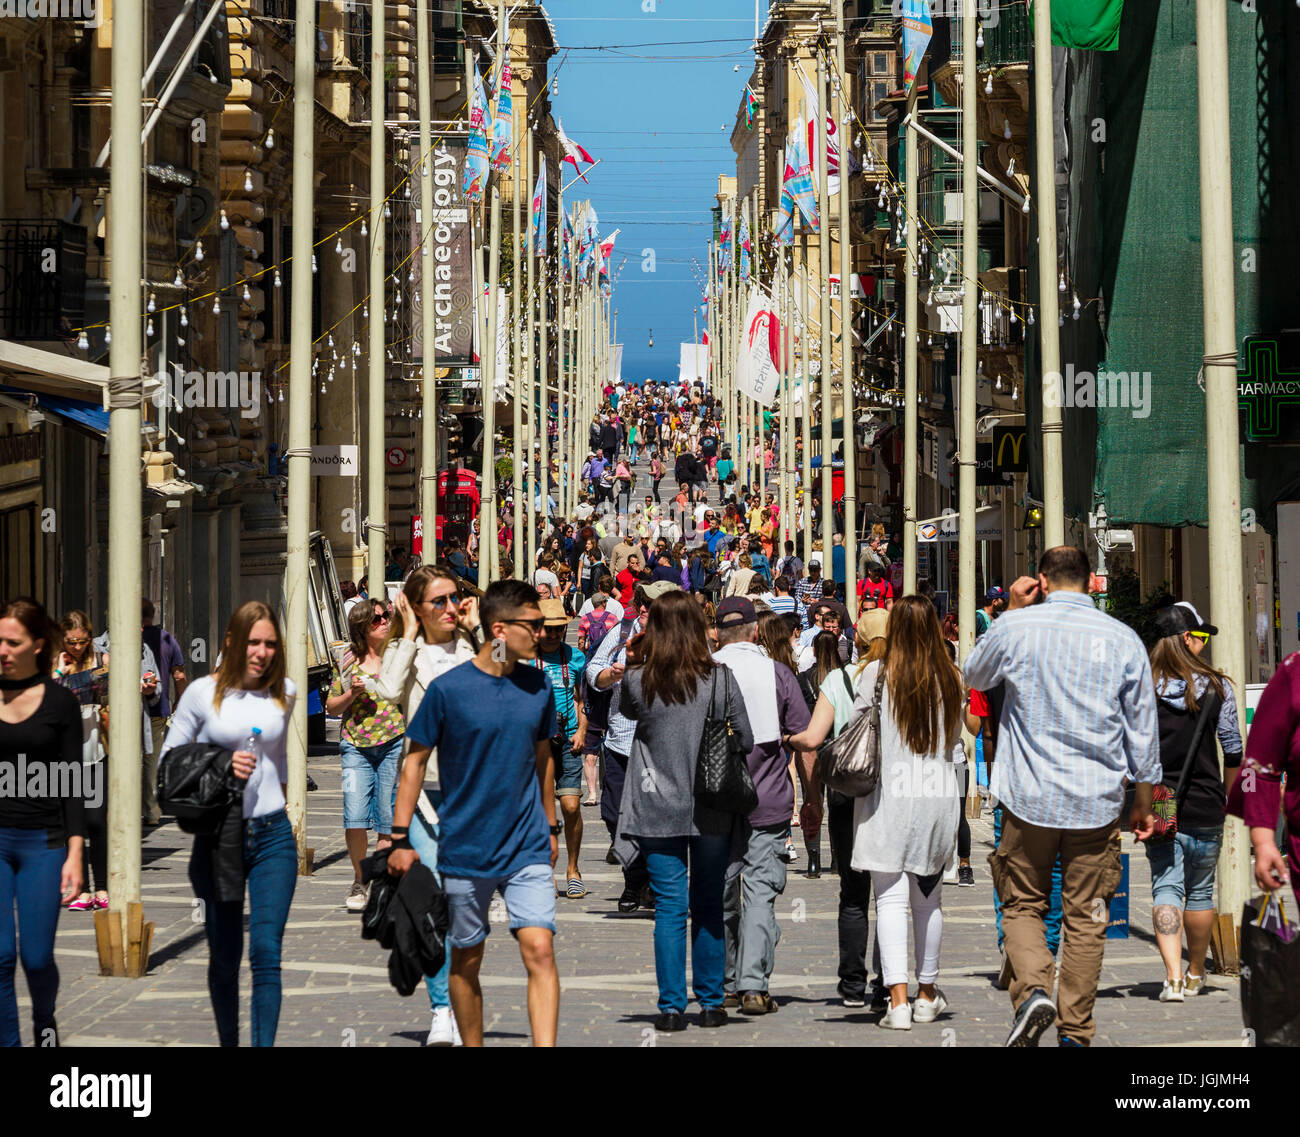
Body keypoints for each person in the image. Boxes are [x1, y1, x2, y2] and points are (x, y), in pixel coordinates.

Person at [963, 546, 1161, 1047]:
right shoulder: (1122, 638)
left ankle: (1032, 993)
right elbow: (1143, 729)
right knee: (1089, 918)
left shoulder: (1017, 628)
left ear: (1043, 582)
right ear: (1092, 580)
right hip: (1096, 801)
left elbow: (975, 676)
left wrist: (1010, 609)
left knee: (1024, 903)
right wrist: (1146, 801)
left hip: (1028, 798)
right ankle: (1075, 1032)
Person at [388, 579, 561, 1048]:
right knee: (466, 956)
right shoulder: (449, 690)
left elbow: (544, 760)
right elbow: (414, 764)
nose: (543, 633)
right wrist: (400, 838)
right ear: (500, 630)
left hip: (525, 842)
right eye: (535, 625)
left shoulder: (538, 685)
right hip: (465, 845)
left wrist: (550, 825)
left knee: (539, 948)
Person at [787, 596, 963, 1030]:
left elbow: (856, 727)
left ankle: (897, 1002)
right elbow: (955, 737)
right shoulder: (951, 677)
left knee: (888, 898)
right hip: (938, 795)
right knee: (929, 899)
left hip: (889, 796)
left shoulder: (876, 676)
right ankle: (927, 993)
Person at [615, 591, 754, 1031]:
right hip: (710, 805)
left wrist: (635, 654)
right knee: (709, 902)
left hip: (657, 805)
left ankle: (671, 1008)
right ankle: (712, 1003)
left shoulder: (640, 681)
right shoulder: (720, 678)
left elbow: (622, 709)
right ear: (701, 629)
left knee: (670, 909)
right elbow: (746, 739)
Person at [163, 601, 297, 1047]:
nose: (262, 652)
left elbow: (277, 765)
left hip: (273, 836)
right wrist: (221, 763)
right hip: (219, 838)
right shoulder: (203, 693)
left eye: (270, 644)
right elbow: (168, 764)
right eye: (253, 642)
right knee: (224, 956)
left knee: (266, 952)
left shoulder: (287, 692)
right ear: (232, 643)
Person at [373, 565, 479, 1045]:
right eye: (438, 601)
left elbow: (513, 678)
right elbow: (389, 691)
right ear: (416, 608)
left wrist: (478, 631)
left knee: (465, 905)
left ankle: (461, 998)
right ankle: (442, 1009)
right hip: (423, 797)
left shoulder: (473, 649)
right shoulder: (406, 652)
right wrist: (408, 635)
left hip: (472, 794)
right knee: (435, 902)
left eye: (454, 598)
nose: (450, 607)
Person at [713, 597, 812, 1016]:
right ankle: (753, 985)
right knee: (759, 893)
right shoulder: (779, 674)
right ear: (756, 631)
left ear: (716, 632)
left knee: (719, 893)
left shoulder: (704, 672)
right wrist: (812, 799)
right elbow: (805, 736)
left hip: (714, 801)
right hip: (766, 800)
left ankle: (727, 981)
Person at [1141, 602, 1241, 1001]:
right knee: (1200, 892)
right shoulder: (1219, 686)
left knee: (1165, 886)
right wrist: (1228, 799)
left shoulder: (1144, 687)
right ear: (1185, 638)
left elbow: (1135, 750)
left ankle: (1172, 977)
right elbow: (1233, 752)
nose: (1202, 643)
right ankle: (1197, 971)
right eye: (1199, 636)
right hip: (1207, 802)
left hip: (1160, 803)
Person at [0, 598, 85, 1047]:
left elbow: (73, 782)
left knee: (35, 957)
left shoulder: (60, 703)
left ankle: (45, 1021)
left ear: (36, 646)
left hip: (44, 844)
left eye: (12, 642)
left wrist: (75, 852)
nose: (2, 650)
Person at [326, 599, 404, 913]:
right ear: (362, 627)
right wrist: (352, 694)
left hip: (394, 742)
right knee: (355, 817)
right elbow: (332, 708)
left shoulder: (397, 657)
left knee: (387, 818)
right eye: (377, 619)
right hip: (356, 745)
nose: (384, 621)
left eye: (386, 616)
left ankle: (379, 880)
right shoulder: (347, 661)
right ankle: (360, 880)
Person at [586, 586, 654, 913]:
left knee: (652, 818)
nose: (644, 609)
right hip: (619, 740)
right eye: (642, 603)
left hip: (657, 746)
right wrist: (608, 674)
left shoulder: (675, 639)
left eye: (652, 606)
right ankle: (638, 875)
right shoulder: (621, 632)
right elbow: (592, 671)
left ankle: (639, 881)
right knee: (613, 813)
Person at [533, 600, 589, 899]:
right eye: (547, 628)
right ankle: (546, 871)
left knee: (570, 806)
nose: (553, 634)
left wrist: (581, 730)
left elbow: (582, 700)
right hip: (536, 744)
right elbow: (496, 662)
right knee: (543, 811)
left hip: (569, 741)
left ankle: (573, 868)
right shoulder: (524, 658)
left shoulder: (576, 658)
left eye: (558, 628)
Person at [141, 598, 187, 826]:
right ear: (153, 614)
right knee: (151, 760)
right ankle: (151, 811)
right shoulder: (167, 639)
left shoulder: (123, 637)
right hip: (157, 709)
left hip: (130, 709)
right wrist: (179, 700)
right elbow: (179, 675)